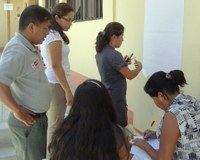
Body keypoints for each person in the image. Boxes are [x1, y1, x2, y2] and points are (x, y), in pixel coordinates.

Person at [0, 5, 52, 160]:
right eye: (46, 28)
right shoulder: (18, 50)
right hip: (27, 121)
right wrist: (16, 110)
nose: (48, 32)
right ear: (31, 27)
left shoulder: (27, 47)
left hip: (36, 119)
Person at [48, 79, 132, 160]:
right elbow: (125, 157)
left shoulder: (64, 129)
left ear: (77, 103)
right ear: (106, 102)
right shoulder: (114, 132)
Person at [133, 70, 200, 160]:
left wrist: (144, 145)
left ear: (161, 96)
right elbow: (189, 132)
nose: (155, 103)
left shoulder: (172, 115)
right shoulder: (193, 101)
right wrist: (158, 134)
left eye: (154, 99)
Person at [40, 3, 74, 157]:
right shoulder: (53, 36)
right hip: (56, 85)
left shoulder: (54, 34)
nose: (70, 24)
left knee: (55, 123)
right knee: (55, 125)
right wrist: (67, 90)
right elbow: (55, 65)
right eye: (68, 20)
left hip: (55, 83)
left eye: (72, 20)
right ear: (57, 18)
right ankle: (52, 156)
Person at [95, 22, 143, 129]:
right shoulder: (115, 55)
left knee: (109, 126)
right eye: (121, 36)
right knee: (120, 128)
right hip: (116, 99)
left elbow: (111, 69)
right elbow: (130, 75)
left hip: (107, 94)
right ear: (113, 37)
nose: (123, 39)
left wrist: (123, 63)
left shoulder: (100, 52)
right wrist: (139, 68)